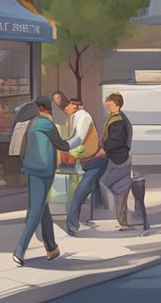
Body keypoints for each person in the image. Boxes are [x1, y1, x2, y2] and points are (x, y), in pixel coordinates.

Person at [16, 97, 70, 266]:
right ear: (45, 109)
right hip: (43, 172)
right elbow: (61, 145)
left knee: (42, 208)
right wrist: (76, 141)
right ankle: (20, 250)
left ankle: (51, 248)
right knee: (36, 211)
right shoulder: (46, 123)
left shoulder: (31, 122)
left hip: (31, 169)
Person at [62, 97, 109, 236]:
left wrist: (65, 147)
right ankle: (97, 215)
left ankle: (72, 225)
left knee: (80, 192)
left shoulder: (83, 116)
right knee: (90, 188)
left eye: (67, 106)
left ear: (76, 106)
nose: (65, 109)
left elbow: (79, 138)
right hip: (90, 159)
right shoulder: (74, 117)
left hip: (95, 160)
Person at [102, 93, 147, 229]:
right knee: (118, 190)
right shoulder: (117, 118)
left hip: (118, 159)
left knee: (111, 185)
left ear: (117, 104)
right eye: (106, 103)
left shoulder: (118, 120)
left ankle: (125, 221)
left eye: (109, 103)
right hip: (119, 157)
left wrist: (102, 147)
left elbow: (114, 140)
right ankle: (123, 221)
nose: (107, 105)